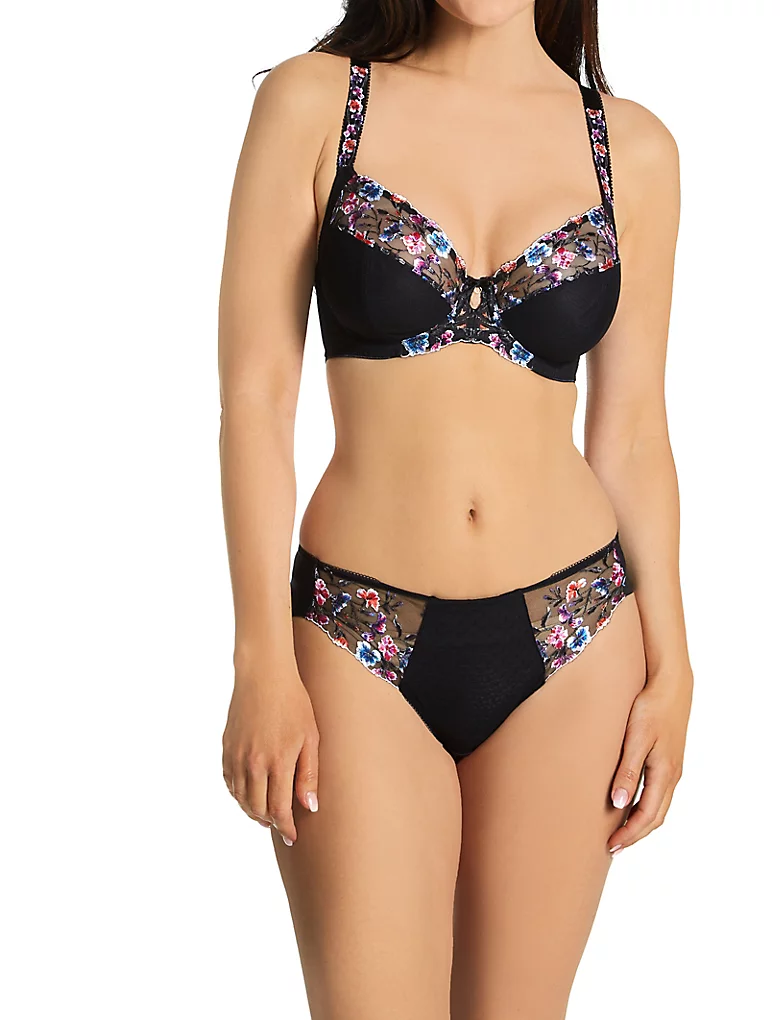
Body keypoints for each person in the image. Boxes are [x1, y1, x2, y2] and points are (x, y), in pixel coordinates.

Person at [217, 1, 692, 1016]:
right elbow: (255, 402)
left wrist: (674, 666)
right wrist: (260, 659)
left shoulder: (632, 149)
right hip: (354, 634)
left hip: (577, 634)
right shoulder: (316, 103)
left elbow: (632, 435)